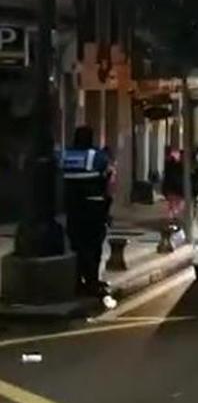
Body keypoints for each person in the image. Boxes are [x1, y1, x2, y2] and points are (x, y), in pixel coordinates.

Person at [62, 126, 111, 296]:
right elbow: (106, 180)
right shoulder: (97, 156)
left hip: (72, 209)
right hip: (94, 208)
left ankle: (77, 282)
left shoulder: (66, 156)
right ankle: (92, 281)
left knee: (76, 245)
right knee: (93, 246)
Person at [161, 147, 184, 223]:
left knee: (172, 205)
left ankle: (172, 218)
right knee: (176, 204)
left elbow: (166, 179)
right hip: (175, 189)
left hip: (172, 189)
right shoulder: (178, 166)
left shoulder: (169, 166)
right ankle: (173, 218)